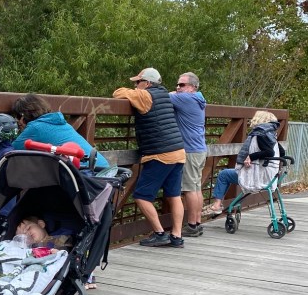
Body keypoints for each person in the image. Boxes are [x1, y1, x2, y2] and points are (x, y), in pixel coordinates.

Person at [112, 67, 186, 248]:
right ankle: (176, 236)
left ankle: (160, 233)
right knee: (174, 195)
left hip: (160, 153)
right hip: (178, 151)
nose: (136, 85)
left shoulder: (145, 95)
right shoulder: (164, 95)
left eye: (138, 82)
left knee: (142, 196)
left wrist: (133, 91)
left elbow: (117, 93)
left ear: (147, 83)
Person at [208, 111, 280, 216]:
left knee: (224, 175)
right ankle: (219, 205)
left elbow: (269, 152)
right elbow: (281, 153)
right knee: (228, 174)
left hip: (256, 178)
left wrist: (251, 156)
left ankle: (217, 205)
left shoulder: (260, 135)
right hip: (270, 177)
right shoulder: (272, 136)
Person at [10, 95, 109, 169]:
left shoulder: (35, 128)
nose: (18, 121)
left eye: (18, 116)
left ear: (24, 115)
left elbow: (9, 153)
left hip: (91, 177)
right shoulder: (61, 123)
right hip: (106, 172)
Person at [170, 71, 207, 237]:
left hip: (190, 151)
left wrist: (173, 93)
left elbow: (159, 96)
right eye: (177, 84)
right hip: (199, 149)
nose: (178, 87)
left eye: (182, 85)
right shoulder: (198, 99)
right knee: (196, 188)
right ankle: (197, 222)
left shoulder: (186, 98)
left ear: (192, 87)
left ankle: (191, 226)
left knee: (189, 189)